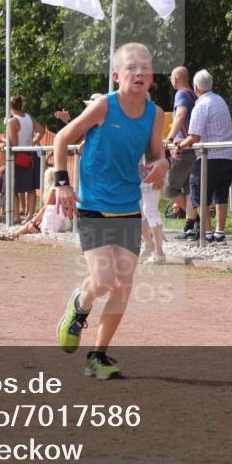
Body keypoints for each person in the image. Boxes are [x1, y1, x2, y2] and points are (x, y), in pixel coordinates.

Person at [54, 42, 168, 380]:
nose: (140, 73)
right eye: (132, 68)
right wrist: (61, 183)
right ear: (117, 75)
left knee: (123, 285)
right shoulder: (104, 106)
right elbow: (62, 137)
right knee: (103, 281)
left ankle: (98, 356)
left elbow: (154, 155)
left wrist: (162, 163)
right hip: (93, 206)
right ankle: (79, 304)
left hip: (128, 208)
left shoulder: (154, 113)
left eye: (145, 68)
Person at [173, 69, 232, 243]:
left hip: (211, 157)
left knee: (198, 193)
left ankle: (206, 232)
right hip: (230, 155)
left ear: (196, 87)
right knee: (220, 194)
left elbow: (194, 136)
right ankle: (220, 232)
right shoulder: (220, 100)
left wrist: (180, 143)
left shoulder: (200, 106)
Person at [163, 66, 199, 240]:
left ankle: (197, 219)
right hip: (194, 147)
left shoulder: (182, 94)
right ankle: (191, 225)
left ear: (175, 79)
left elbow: (181, 114)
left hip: (182, 147)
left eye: (171, 77)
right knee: (188, 189)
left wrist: (169, 138)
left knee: (169, 188)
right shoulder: (194, 94)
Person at [7, 94, 45, 223]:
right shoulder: (29, 117)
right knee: (31, 187)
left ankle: (17, 216)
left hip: (18, 155)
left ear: (10, 106)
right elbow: (42, 130)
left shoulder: (12, 121)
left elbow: (14, 142)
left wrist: (2, 142)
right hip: (31, 154)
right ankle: (29, 216)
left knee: (12, 187)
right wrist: (33, 141)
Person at [139, 159, 166, 264]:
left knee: (150, 210)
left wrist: (159, 175)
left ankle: (159, 253)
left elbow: (159, 153)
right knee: (139, 212)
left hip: (149, 173)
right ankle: (149, 245)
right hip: (134, 176)